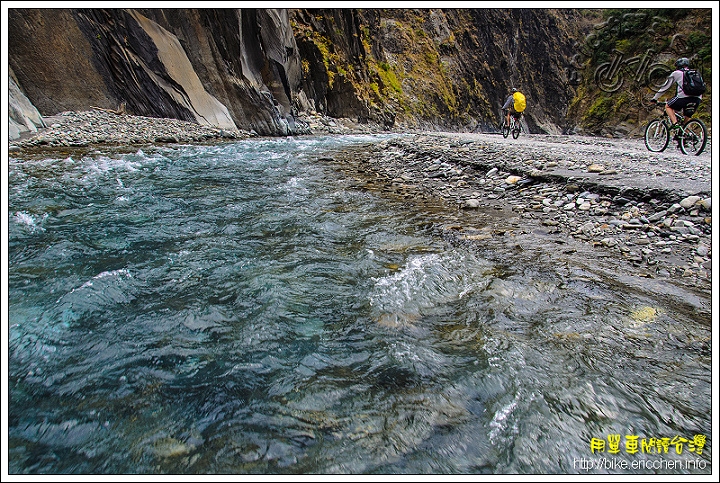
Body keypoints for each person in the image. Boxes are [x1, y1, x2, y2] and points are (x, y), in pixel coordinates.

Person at [650, 57, 702, 127]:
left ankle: (675, 123)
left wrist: (655, 98)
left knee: (668, 106)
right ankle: (685, 133)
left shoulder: (676, 73)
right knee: (687, 118)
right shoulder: (694, 73)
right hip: (697, 98)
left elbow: (665, 87)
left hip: (684, 98)